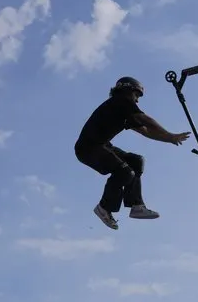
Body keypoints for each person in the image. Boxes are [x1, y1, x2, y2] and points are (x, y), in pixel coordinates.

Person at [74, 76, 191, 230]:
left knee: (136, 161)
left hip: (101, 146)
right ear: (128, 90)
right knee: (124, 172)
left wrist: (169, 139)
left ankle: (136, 206)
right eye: (136, 95)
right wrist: (169, 134)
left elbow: (145, 131)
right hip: (88, 148)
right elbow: (145, 119)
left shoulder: (122, 109)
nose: (137, 101)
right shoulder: (121, 101)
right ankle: (104, 207)